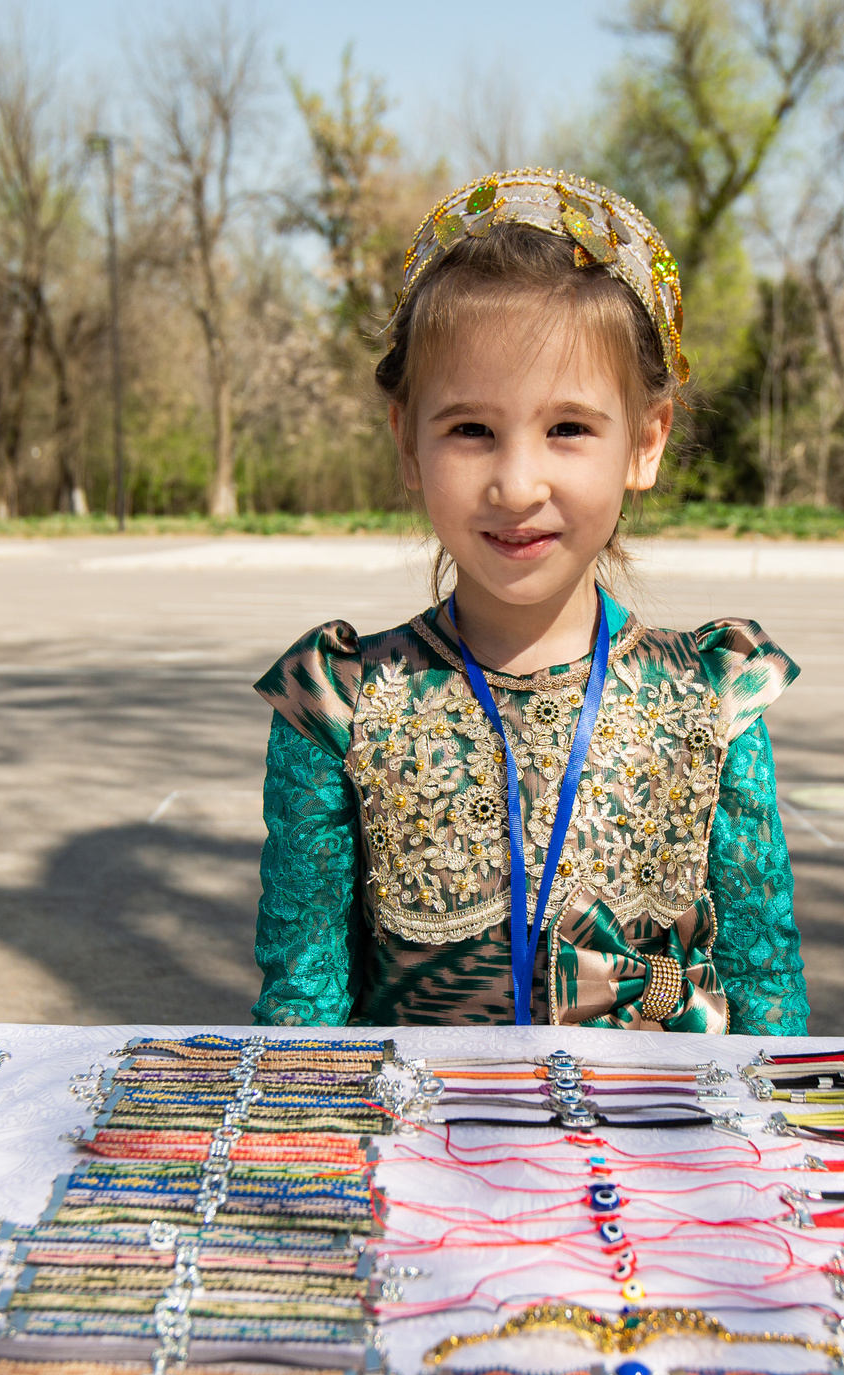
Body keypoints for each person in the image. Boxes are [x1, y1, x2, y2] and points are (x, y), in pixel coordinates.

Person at [250, 170, 808, 1034]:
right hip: (422, 1155)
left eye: (569, 429)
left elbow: (767, 994)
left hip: (663, 1154)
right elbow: (304, 1010)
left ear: (646, 440)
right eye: (471, 430)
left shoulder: (712, 698)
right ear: (408, 441)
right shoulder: (341, 703)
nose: (517, 484)